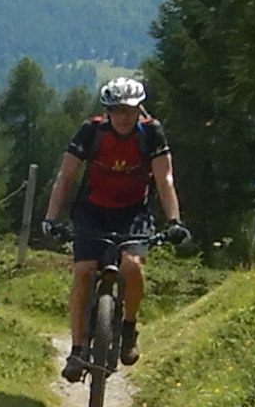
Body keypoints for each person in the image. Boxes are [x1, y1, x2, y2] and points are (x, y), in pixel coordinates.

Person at [45, 75, 182, 376]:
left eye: (130, 110)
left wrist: (174, 221)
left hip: (132, 212)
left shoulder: (151, 134)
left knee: (132, 266)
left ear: (139, 110)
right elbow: (65, 177)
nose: (123, 117)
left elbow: (164, 179)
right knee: (83, 270)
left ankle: (129, 328)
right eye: (117, 110)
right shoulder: (90, 132)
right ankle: (77, 351)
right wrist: (51, 218)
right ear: (107, 110)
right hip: (92, 210)